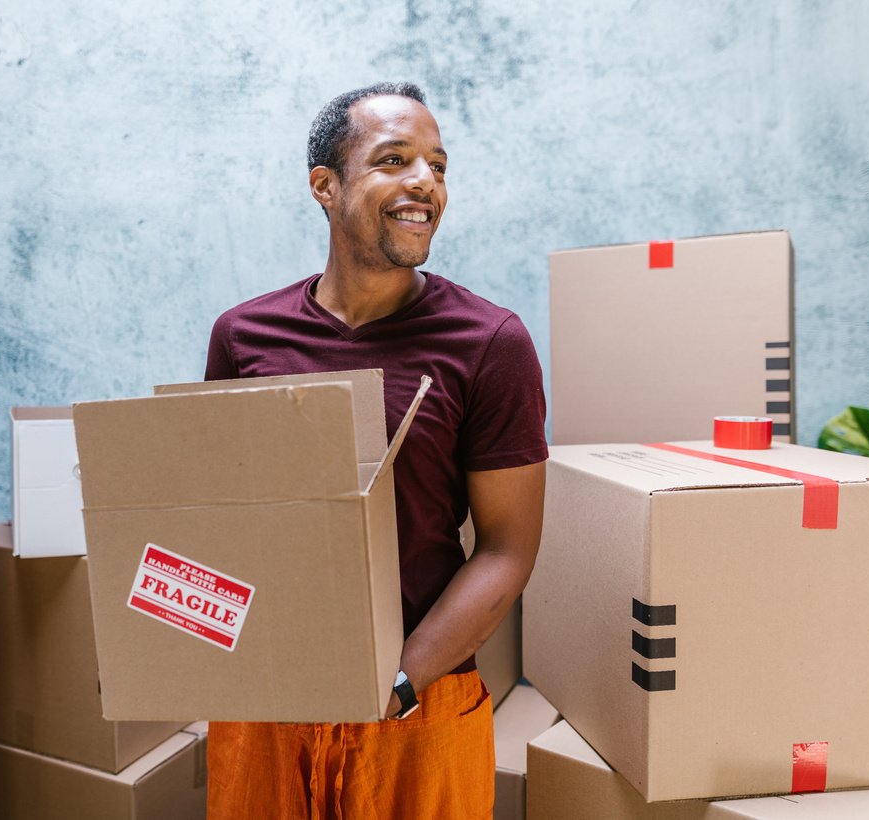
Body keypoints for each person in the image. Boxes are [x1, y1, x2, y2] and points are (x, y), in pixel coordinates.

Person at [202, 81, 548, 820]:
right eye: (394, 159)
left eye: (438, 165)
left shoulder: (489, 344)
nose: (425, 182)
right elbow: (222, 522)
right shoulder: (243, 337)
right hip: (269, 697)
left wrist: (398, 682)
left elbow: (506, 550)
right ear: (325, 186)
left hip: (419, 700)